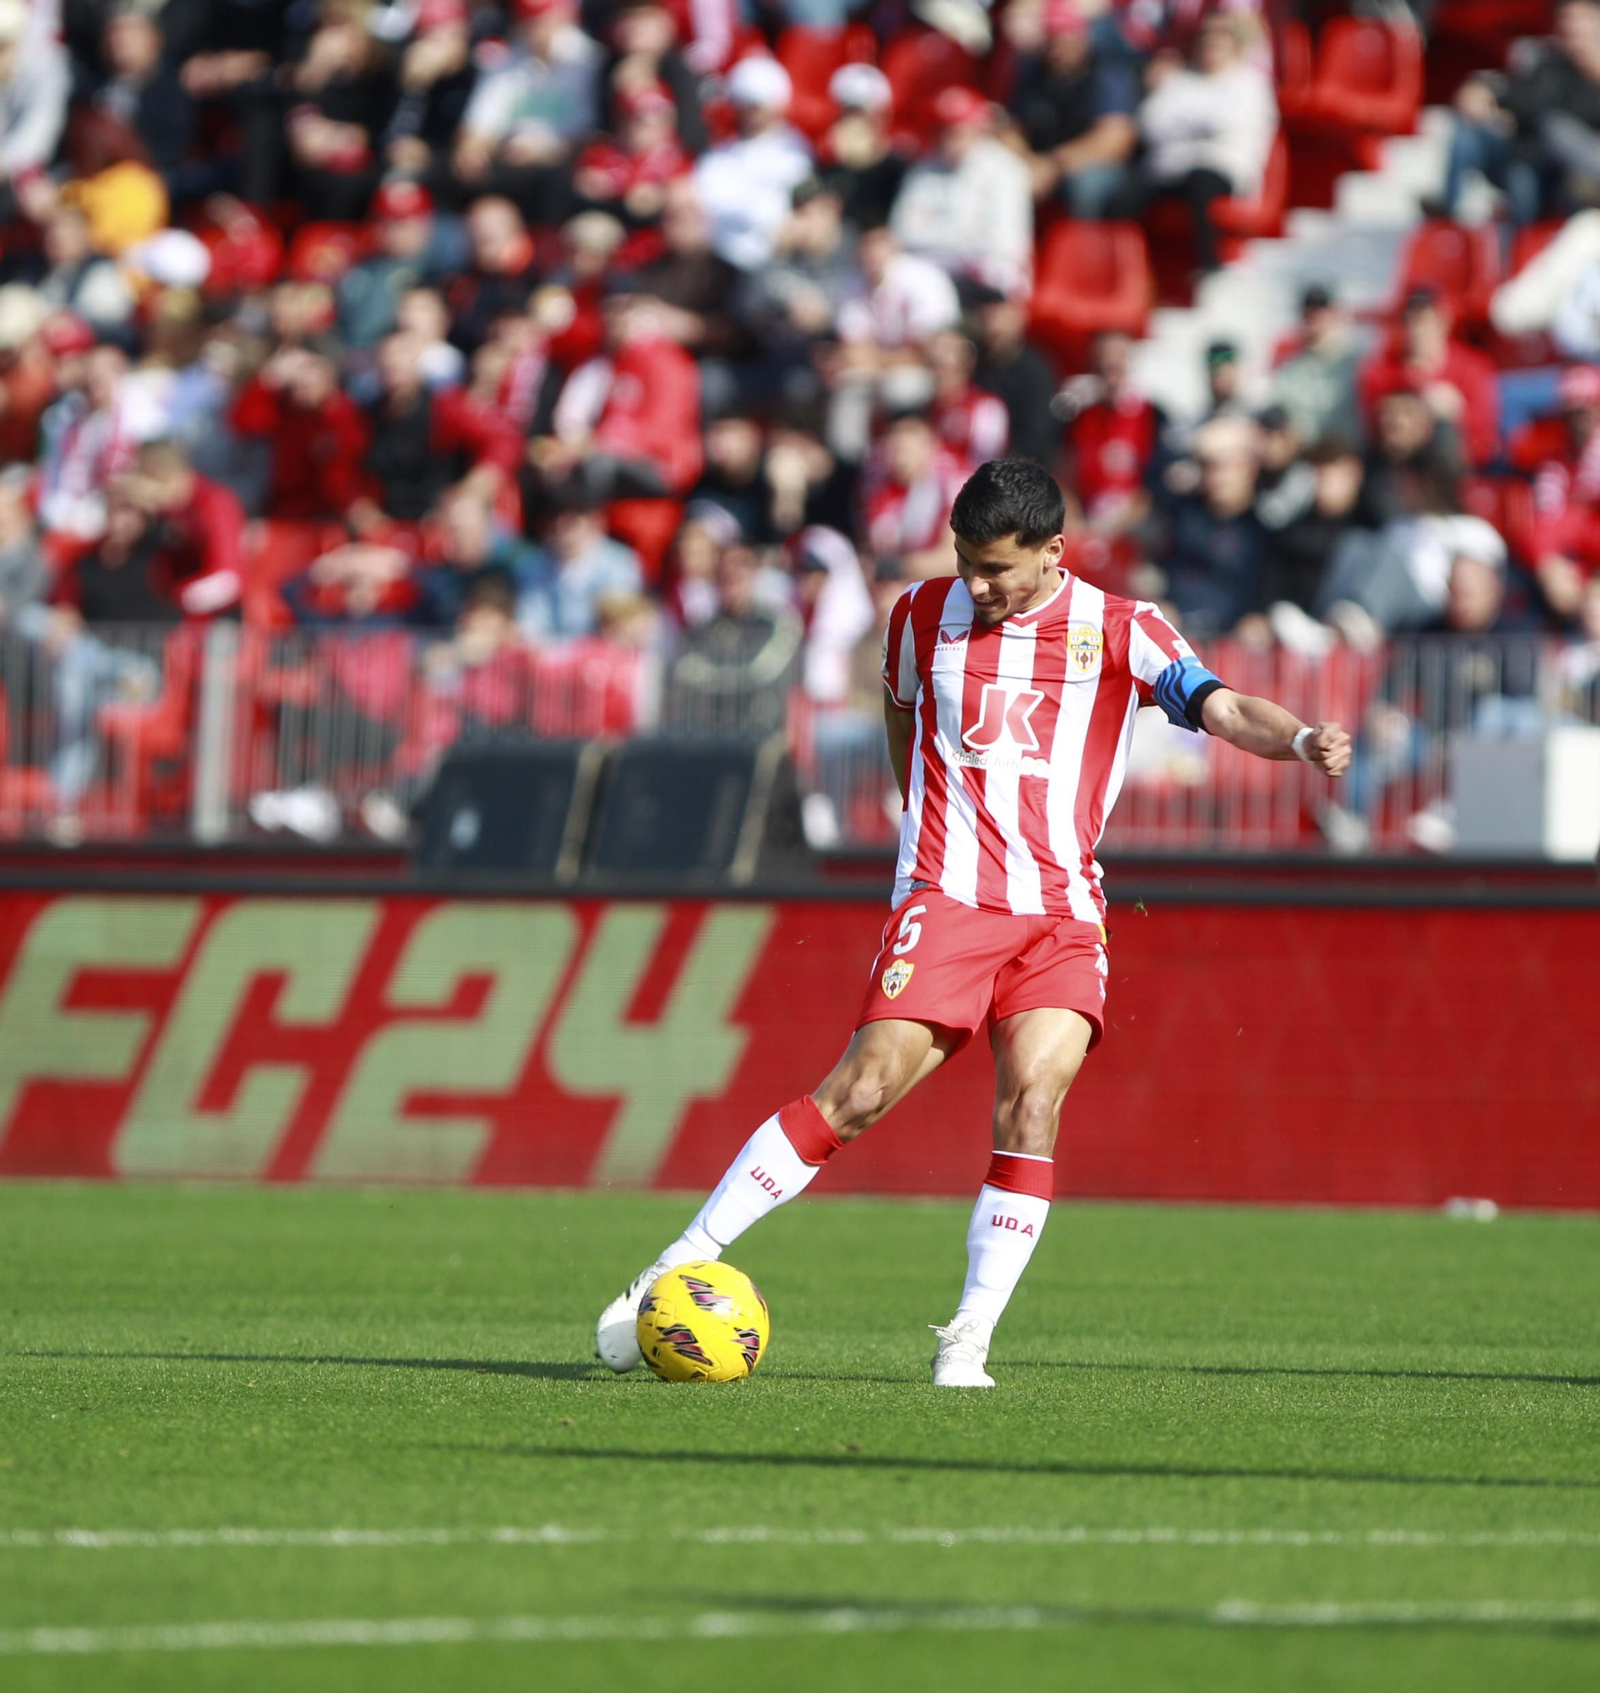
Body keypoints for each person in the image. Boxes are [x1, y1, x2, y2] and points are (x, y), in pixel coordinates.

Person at [595, 456, 1351, 1387]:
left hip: (1063, 914)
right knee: (861, 1090)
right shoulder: (920, 613)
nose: (979, 585)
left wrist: (1303, 740)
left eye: (998, 567)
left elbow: (1222, 704)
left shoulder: (1120, 628)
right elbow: (899, 704)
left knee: (1033, 1104)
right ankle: (672, 1265)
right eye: (966, 563)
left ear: (1053, 553)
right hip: (947, 897)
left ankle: (968, 1337)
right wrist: (918, 814)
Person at [1106, 15, 1277, 276]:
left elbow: (1230, 123)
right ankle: (1125, 272)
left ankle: (1208, 267)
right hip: (1169, 168)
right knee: (1121, 198)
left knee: (1202, 183)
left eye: (1220, 40)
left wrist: (1185, 124)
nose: (1211, 45)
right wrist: (1200, 125)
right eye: (1206, 39)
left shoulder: (1250, 84)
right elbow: (1152, 123)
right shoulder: (1179, 79)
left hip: (1222, 168)